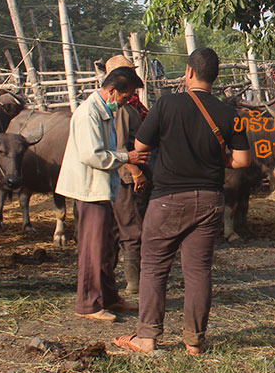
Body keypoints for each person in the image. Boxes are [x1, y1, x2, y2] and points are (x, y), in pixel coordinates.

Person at [114, 48, 251, 355]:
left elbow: (140, 145)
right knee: (199, 270)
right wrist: (219, 160)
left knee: (153, 268)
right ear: (214, 77)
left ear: (189, 72)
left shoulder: (167, 104)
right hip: (210, 200)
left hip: (167, 200)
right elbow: (241, 161)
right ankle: (195, 340)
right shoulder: (230, 114)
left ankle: (147, 337)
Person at [56, 66, 148, 322]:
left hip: (103, 189)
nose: (126, 101)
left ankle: (109, 297)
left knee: (107, 246)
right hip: (89, 191)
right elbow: (91, 155)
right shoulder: (88, 114)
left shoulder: (103, 111)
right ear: (111, 91)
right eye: (125, 96)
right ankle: (88, 304)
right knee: (93, 248)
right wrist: (126, 157)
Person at [105, 55, 149, 295]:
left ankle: (111, 279)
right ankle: (134, 282)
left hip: (120, 175)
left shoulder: (128, 107)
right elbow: (121, 146)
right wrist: (135, 173)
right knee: (131, 227)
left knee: (117, 228)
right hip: (126, 177)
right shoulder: (122, 109)